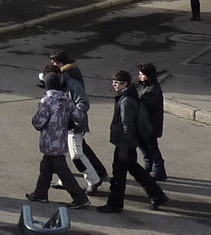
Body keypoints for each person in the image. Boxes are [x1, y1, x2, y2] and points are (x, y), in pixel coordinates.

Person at [98, 70, 168, 213]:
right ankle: (157, 195)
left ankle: (115, 204)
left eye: (117, 83)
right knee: (135, 170)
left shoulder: (126, 101)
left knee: (118, 175)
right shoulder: (128, 97)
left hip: (125, 143)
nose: (114, 85)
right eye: (113, 82)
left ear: (125, 84)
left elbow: (127, 126)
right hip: (129, 142)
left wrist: (123, 147)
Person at [45, 50, 108, 190]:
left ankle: (93, 179)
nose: (53, 65)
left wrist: (73, 117)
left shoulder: (71, 79)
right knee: (67, 151)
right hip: (67, 121)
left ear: (60, 63)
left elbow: (83, 102)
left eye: (54, 63)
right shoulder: (67, 75)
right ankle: (71, 178)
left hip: (72, 123)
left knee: (76, 154)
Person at [26, 71, 90, 208]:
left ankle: (80, 198)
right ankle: (40, 193)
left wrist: (35, 120)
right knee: (46, 166)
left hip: (49, 141)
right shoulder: (66, 99)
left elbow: (38, 122)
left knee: (63, 171)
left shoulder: (47, 101)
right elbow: (79, 116)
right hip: (61, 140)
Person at [136, 63, 167, 181]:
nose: (139, 77)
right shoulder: (147, 86)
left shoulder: (152, 90)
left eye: (142, 74)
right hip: (146, 124)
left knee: (151, 147)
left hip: (150, 125)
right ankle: (149, 167)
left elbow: (146, 106)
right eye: (139, 74)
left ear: (149, 75)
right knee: (144, 146)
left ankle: (158, 171)